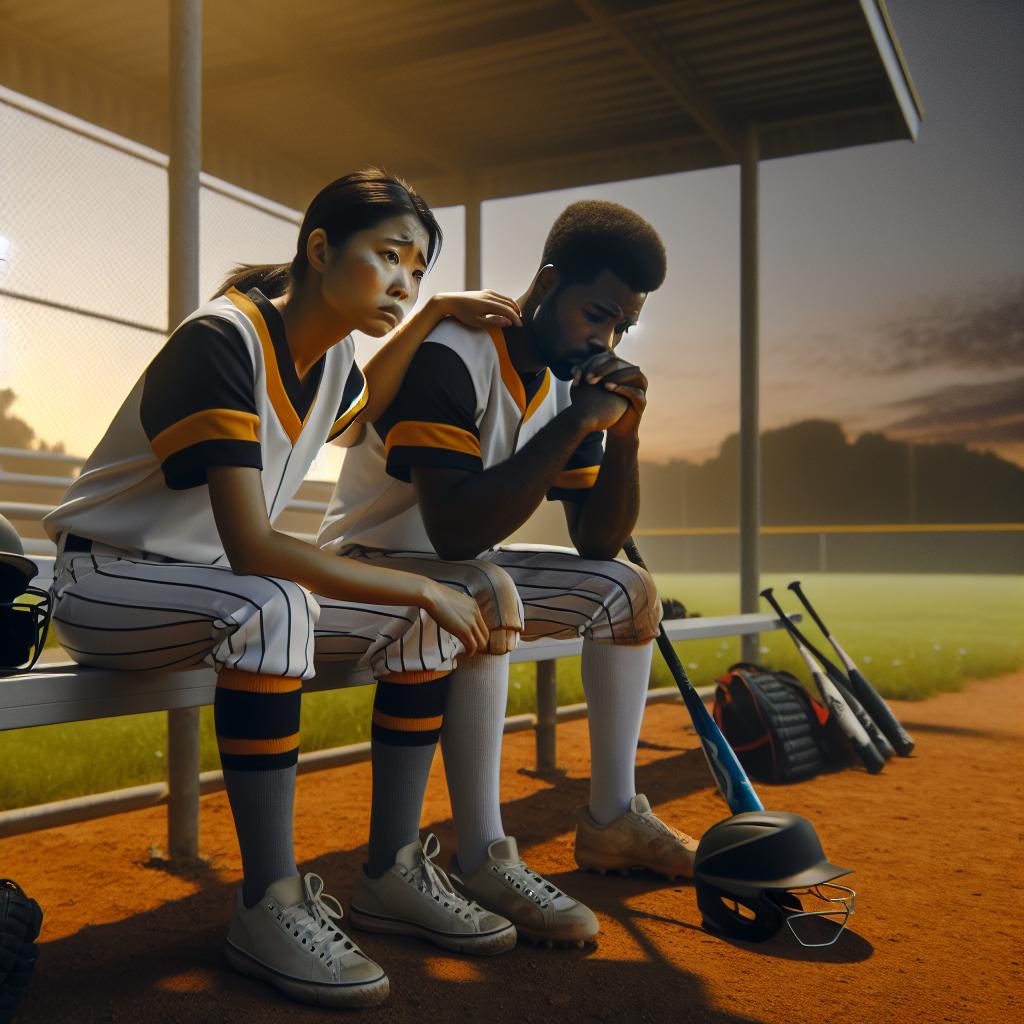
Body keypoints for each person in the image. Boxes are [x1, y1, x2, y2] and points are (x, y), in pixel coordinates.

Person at [42, 168, 528, 1009]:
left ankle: (392, 870)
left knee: (423, 629)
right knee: (284, 602)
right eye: (389, 257)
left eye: (419, 270)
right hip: (104, 579)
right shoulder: (220, 338)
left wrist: (440, 314)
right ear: (319, 248)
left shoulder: (334, 356)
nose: (405, 284)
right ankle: (268, 902)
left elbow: (364, 398)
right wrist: (417, 586)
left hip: (206, 591)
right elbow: (255, 545)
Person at [317, 200, 700, 948]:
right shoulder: (454, 349)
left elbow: (597, 542)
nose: (607, 338)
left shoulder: (565, 377)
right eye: (597, 313)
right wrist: (572, 423)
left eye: (622, 327)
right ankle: (485, 854)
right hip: (364, 563)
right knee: (486, 586)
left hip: (463, 567)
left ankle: (613, 819)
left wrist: (624, 434)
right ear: (549, 283)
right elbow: (454, 528)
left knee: (629, 588)